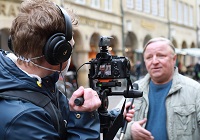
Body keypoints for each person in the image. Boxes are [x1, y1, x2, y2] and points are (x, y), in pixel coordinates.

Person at [0, 0, 134, 139]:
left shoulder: (42, 83)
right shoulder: (23, 118)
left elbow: (64, 122)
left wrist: (112, 116)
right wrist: (84, 117)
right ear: (58, 52)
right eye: (70, 48)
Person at [116, 37, 200, 140]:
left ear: (174, 59)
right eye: (149, 57)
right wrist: (130, 130)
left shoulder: (195, 91)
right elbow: (113, 130)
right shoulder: (135, 90)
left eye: (161, 56)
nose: (154, 61)